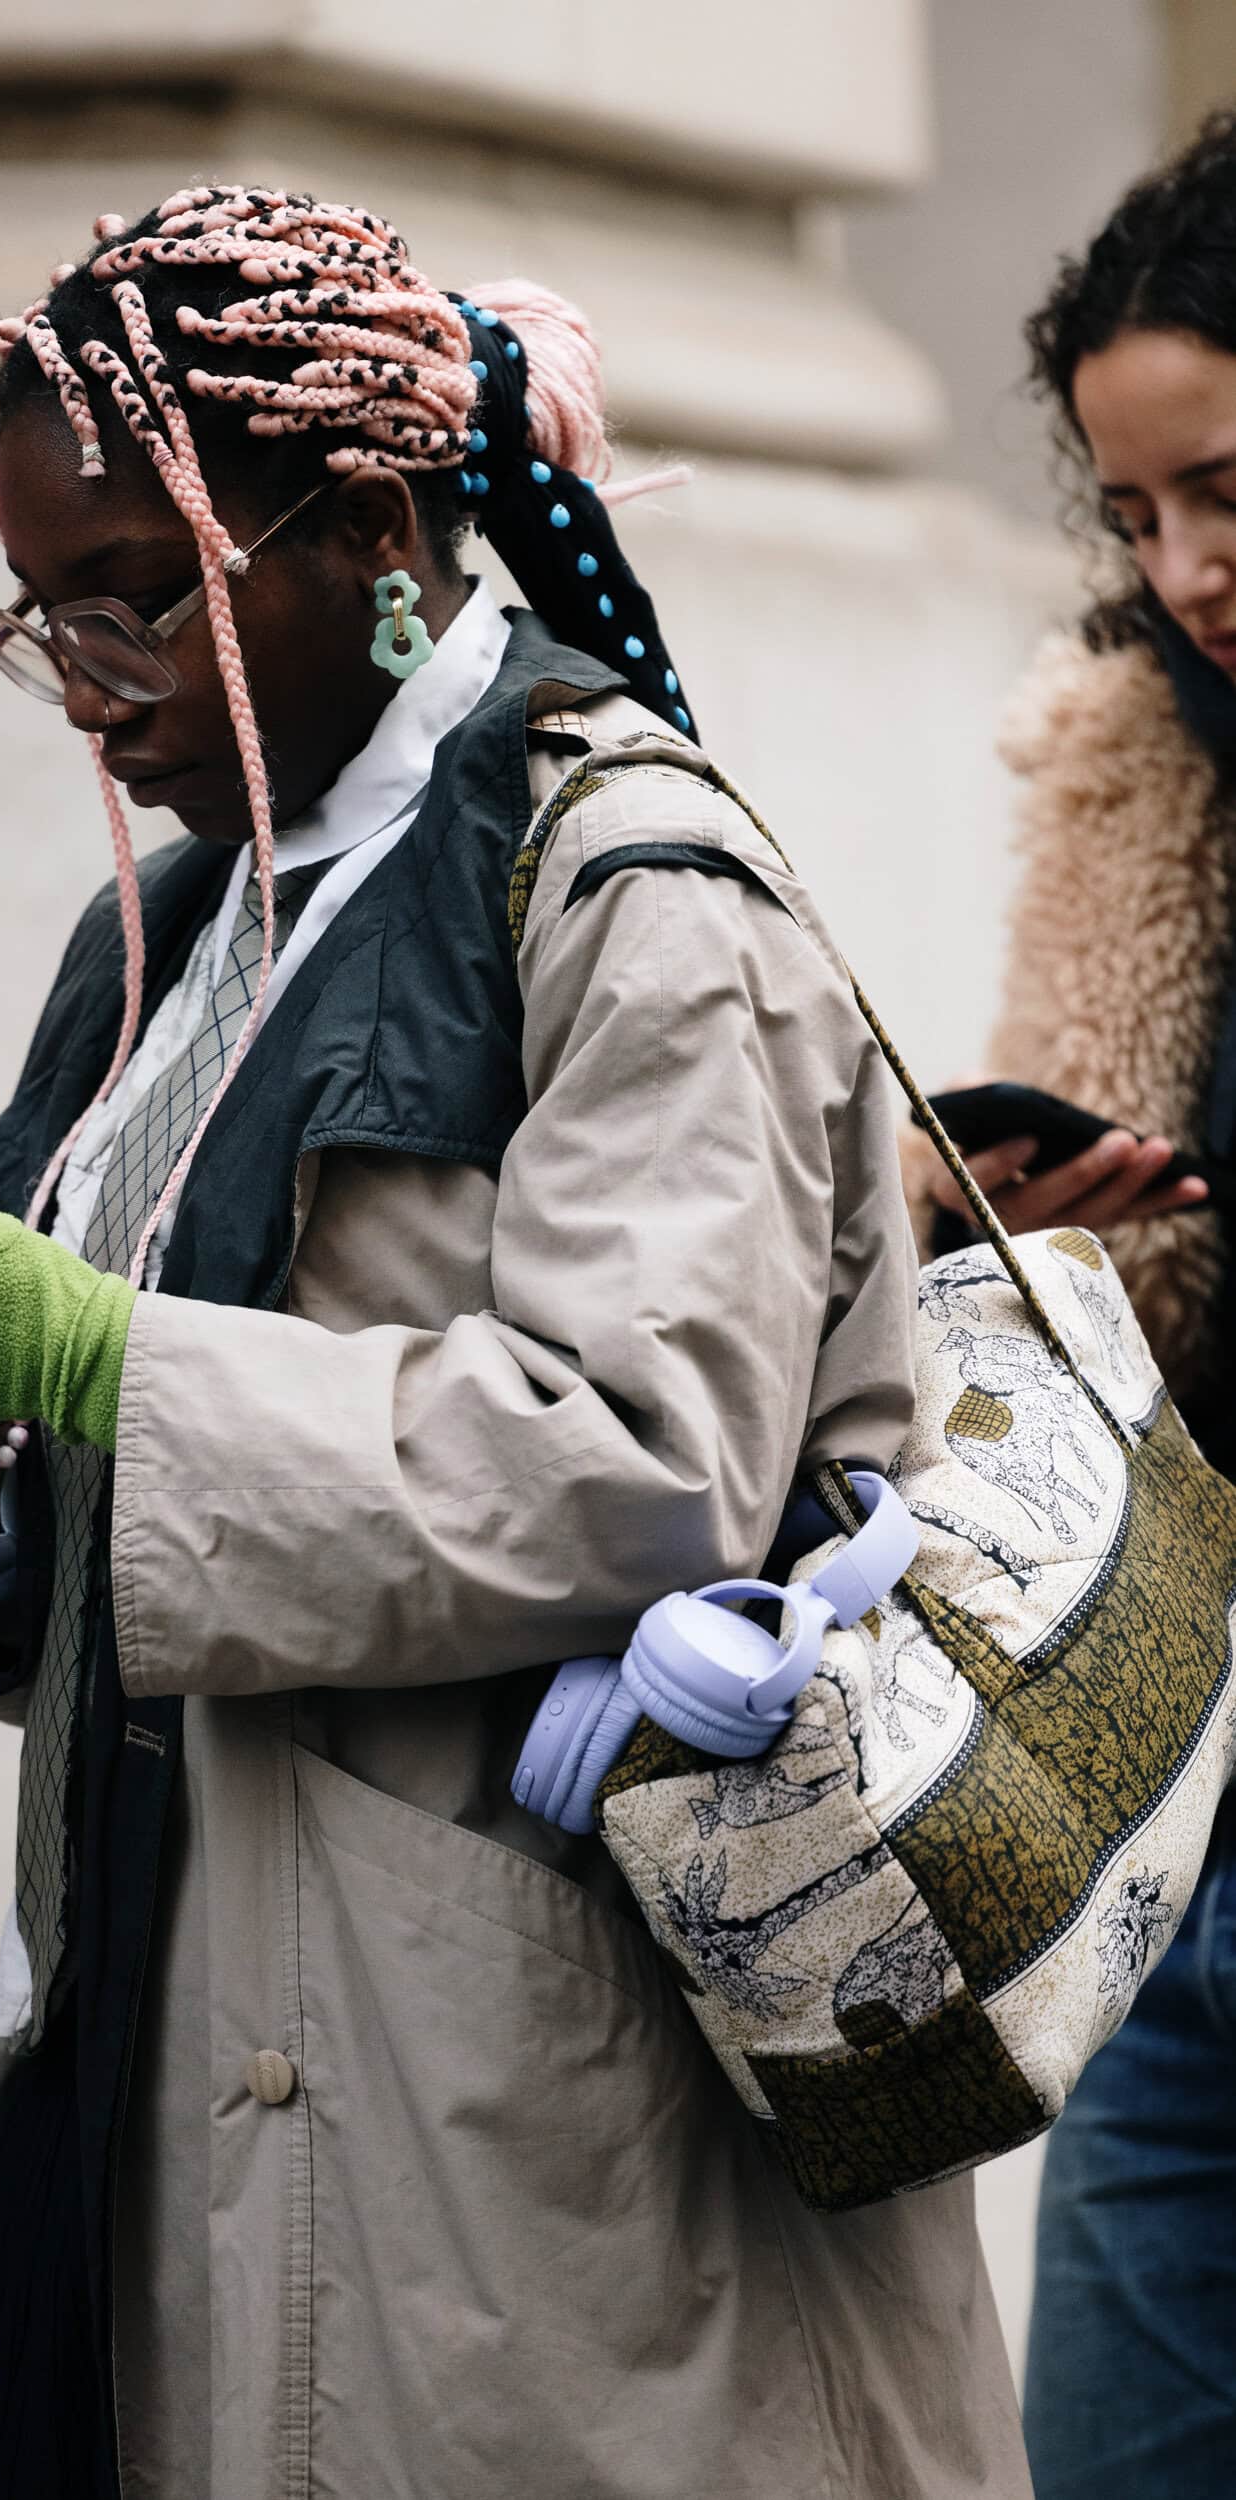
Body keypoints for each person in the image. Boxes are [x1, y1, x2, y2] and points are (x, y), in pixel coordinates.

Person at [0, 186, 1029, 2498]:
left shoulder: (637, 888)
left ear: (379, 531)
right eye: (41, 619)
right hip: (193, 2050)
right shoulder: (197, 910)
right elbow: (129, 1512)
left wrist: (106, 1363)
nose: (94, 688)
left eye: (137, 602)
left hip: (543, 2115)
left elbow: (638, 1456)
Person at [905, 111, 1236, 2500]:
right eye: (1133, 516)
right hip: (1196, 1799)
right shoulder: (1136, 774)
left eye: (1226, 487)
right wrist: (957, 1207)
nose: (1187, 568)